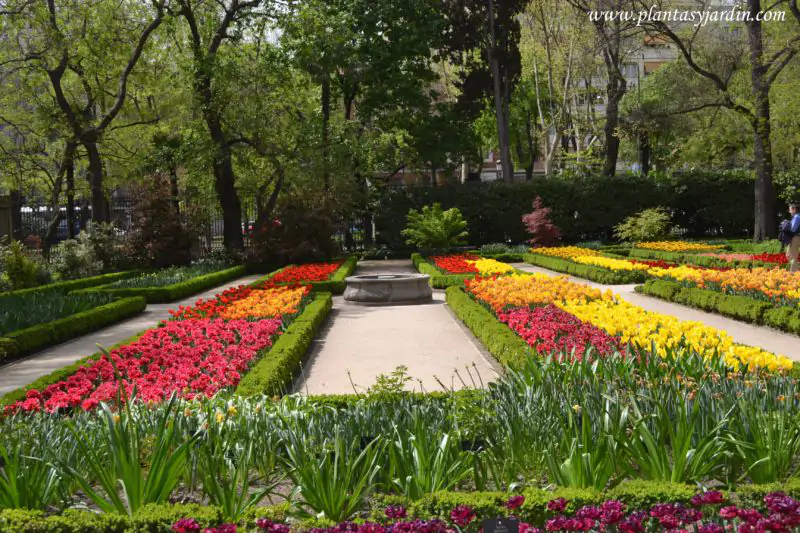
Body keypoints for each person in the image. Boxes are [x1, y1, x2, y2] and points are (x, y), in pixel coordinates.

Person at [787, 203, 800, 272]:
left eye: (790, 210)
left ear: (794, 209)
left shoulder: (796, 217)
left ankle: (794, 274)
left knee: (792, 256)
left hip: (796, 238)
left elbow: (792, 229)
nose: (789, 212)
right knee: (789, 255)